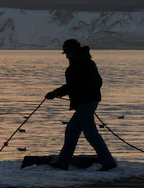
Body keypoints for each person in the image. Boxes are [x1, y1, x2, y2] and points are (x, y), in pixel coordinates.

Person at [45, 38, 118, 171]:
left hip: (85, 104)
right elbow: (93, 83)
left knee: (91, 134)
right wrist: (57, 93)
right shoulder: (86, 63)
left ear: (72, 51)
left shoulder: (79, 65)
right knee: (71, 131)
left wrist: (56, 93)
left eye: (66, 52)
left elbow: (73, 86)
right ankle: (63, 162)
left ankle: (108, 162)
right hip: (85, 103)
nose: (66, 55)